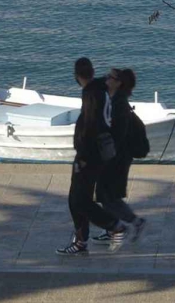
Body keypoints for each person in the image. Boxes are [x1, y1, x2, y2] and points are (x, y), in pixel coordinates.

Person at [59, 57, 129, 256]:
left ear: (76, 76)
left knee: (78, 200)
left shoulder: (91, 94)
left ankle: (110, 227)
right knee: (81, 197)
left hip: (89, 155)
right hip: (99, 153)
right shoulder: (100, 88)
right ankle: (96, 233)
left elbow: (90, 127)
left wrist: (82, 155)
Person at [95, 67, 147, 243]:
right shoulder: (114, 100)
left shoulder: (119, 105)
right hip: (116, 156)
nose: (106, 78)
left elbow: (117, 135)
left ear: (118, 83)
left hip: (117, 158)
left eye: (110, 77)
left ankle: (131, 223)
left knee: (108, 196)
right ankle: (113, 229)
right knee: (107, 195)